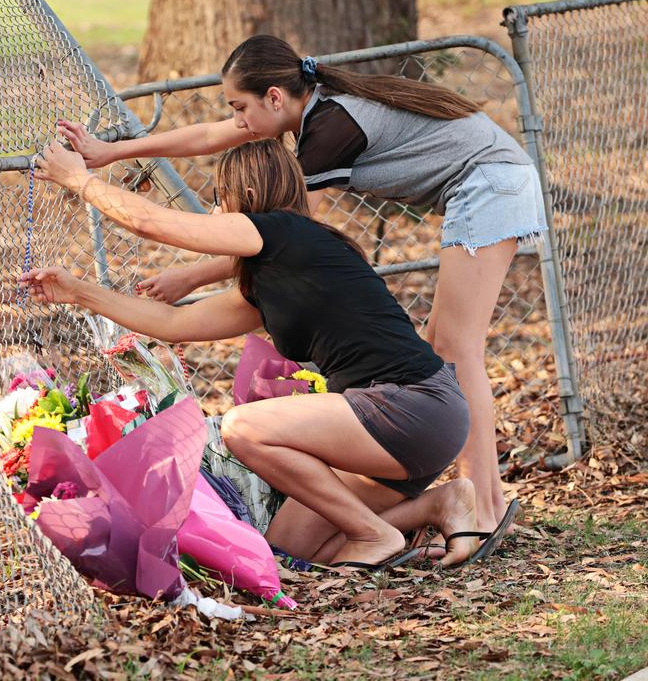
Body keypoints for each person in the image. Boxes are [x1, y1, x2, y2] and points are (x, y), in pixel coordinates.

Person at [55, 34, 542, 547]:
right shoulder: (308, 108)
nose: (237, 122)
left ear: (275, 97)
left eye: (241, 108)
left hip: (489, 183)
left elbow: (262, 231)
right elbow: (207, 137)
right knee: (441, 342)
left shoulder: (328, 132)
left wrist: (191, 274)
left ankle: (485, 506)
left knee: (456, 348)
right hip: (482, 183)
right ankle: (439, 507)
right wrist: (113, 152)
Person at [22, 137, 480, 568]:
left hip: (411, 405)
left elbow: (151, 224)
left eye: (220, 200)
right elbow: (174, 324)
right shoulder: (278, 275)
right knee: (290, 546)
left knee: (243, 429)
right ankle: (438, 504)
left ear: (245, 192)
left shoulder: (284, 232)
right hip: (401, 427)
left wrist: (79, 181)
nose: (216, 212)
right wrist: (79, 293)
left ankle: (376, 535)